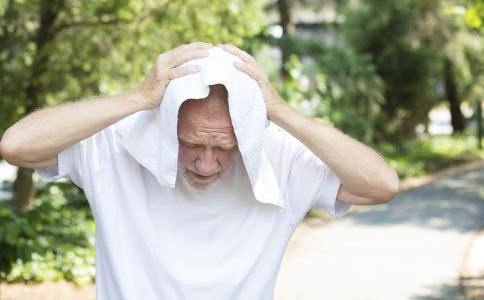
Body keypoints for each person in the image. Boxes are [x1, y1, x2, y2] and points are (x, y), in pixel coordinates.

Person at [0, 41, 399, 299]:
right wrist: (138, 98)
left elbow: (380, 185)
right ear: (165, 123)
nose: (206, 164)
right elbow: (17, 146)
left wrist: (279, 111)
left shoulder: (278, 158)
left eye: (224, 147)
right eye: (190, 143)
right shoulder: (117, 144)